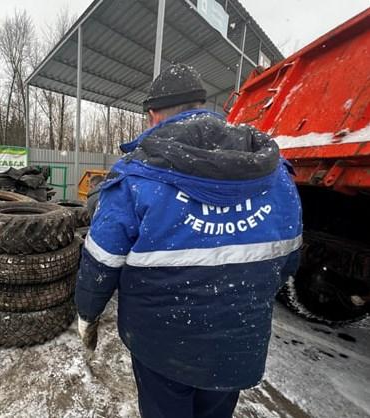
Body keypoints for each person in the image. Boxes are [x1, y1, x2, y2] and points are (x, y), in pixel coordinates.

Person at [75, 63, 302, 418]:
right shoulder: (276, 175)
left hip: (161, 347)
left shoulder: (135, 174)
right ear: (202, 104)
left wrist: (88, 312)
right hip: (237, 347)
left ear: (153, 115)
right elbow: (288, 260)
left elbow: (101, 261)